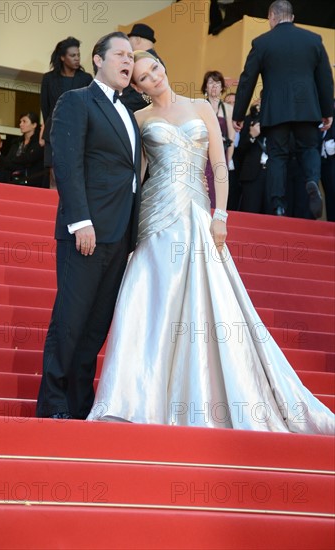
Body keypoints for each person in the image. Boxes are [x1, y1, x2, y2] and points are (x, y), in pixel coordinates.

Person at [87, 50, 334, 434]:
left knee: (209, 303)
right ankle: (140, 396)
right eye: (145, 78)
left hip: (200, 214)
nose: (155, 77)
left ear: (163, 65)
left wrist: (221, 215)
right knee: (154, 303)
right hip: (156, 217)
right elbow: (135, 180)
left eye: (155, 67)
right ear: (137, 87)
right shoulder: (139, 120)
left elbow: (218, 164)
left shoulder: (201, 106)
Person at [36, 32, 142, 420]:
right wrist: (81, 221)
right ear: (97, 60)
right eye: (120, 54)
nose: (128, 61)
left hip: (120, 236)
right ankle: (53, 406)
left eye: (132, 56)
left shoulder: (129, 113)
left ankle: (80, 405)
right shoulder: (77, 100)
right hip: (87, 232)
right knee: (70, 320)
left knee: (96, 327)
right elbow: (66, 163)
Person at [232, 0, 334, 218]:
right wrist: (327, 112)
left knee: (277, 156)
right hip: (307, 110)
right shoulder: (313, 40)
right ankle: (311, 182)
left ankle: (278, 204)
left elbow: (247, 79)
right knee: (308, 149)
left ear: (271, 16)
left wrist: (238, 114)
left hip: (276, 112)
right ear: (292, 17)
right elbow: (326, 80)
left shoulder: (262, 43)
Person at [41, 37, 93, 188]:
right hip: (54, 131)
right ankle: (52, 209)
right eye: (72, 55)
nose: (77, 59)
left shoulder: (86, 79)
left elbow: (90, 107)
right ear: (62, 57)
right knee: (54, 175)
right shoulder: (49, 79)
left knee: (74, 176)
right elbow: (45, 108)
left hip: (78, 132)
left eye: (78, 55)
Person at [200, 70, 239, 209]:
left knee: (217, 195)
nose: (214, 86)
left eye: (217, 83)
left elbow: (231, 139)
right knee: (201, 192)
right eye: (210, 82)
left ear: (222, 87)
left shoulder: (228, 108)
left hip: (220, 157)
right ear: (205, 87)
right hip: (202, 157)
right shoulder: (198, 106)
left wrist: (227, 162)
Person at [120, 23, 165, 113]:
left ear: (137, 39)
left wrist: (120, 104)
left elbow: (146, 97)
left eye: (129, 40)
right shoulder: (155, 60)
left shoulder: (143, 60)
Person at [4, 112, 45, 188]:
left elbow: (30, 158)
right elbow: (7, 162)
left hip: (34, 184)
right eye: (20, 122)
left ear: (34, 125)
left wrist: (16, 161)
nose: (20, 124)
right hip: (15, 182)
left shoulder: (39, 142)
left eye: (24, 121)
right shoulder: (16, 142)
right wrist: (22, 161)